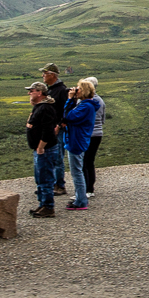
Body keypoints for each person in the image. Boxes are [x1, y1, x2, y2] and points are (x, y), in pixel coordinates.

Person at [60, 79, 100, 210]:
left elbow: (68, 116)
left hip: (76, 141)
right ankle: (80, 198)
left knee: (77, 172)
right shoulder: (86, 105)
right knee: (77, 170)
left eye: (78, 89)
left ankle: (81, 201)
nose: (75, 91)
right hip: (77, 139)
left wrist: (70, 99)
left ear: (84, 91)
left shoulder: (85, 106)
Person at [24, 81, 60, 218]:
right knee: (40, 179)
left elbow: (48, 131)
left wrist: (40, 147)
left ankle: (48, 207)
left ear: (39, 92)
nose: (29, 93)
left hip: (45, 150)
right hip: (41, 150)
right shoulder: (40, 107)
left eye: (31, 91)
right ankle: (42, 204)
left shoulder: (45, 108)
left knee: (45, 179)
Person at [38, 63, 70, 196]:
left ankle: (60, 185)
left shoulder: (61, 90)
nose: (43, 76)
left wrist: (60, 124)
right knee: (51, 157)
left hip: (58, 129)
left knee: (57, 157)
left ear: (52, 75)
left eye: (45, 73)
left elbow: (67, 109)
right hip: (50, 128)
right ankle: (52, 184)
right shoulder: (51, 90)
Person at [82, 76, 105, 197]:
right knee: (89, 161)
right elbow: (102, 120)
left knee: (85, 162)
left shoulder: (86, 102)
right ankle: (89, 188)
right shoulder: (100, 101)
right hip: (97, 133)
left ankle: (87, 188)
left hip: (88, 134)